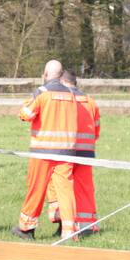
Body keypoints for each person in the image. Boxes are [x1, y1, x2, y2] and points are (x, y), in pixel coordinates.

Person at [11, 60, 94, 241]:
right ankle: (69, 231)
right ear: (61, 74)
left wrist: (29, 101)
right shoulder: (71, 95)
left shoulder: (42, 93)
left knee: (36, 189)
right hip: (66, 152)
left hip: (43, 151)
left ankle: (26, 228)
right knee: (65, 191)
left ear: (45, 74)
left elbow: (25, 114)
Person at [45, 69, 101, 236]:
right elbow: (96, 129)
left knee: (61, 189)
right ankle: (87, 227)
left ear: (63, 82)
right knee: (85, 189)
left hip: (65, 151)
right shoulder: (90, 101)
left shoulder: (63, 100)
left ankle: (64, 224)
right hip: (86, 152)